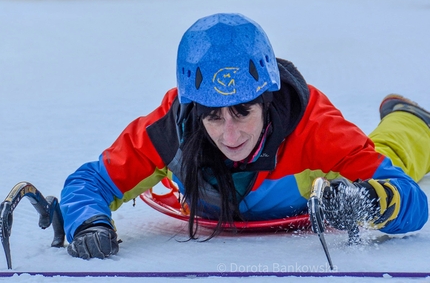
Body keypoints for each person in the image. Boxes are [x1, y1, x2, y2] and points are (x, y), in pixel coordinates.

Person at [60, 13, 430, 260]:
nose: (230, 134)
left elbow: (413, 204)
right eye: (213, 116)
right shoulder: (169, 130)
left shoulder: (315, 128)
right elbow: (90, 182)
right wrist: (90, 222)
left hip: (323, 177)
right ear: (195, 109)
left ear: (266, 102)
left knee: (388, 157)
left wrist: (367, 200)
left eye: (242, 111)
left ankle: (411, 122)